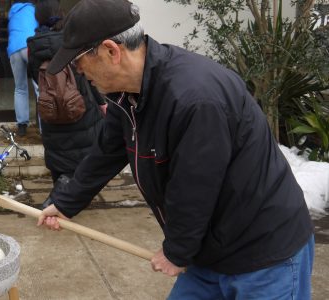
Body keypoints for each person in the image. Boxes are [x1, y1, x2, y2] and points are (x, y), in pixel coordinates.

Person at [37, 0, 314, 298]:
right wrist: (66, 203)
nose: (78, 72)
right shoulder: (126, 94)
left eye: (79, 61)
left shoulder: (194, 98)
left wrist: (177, 251)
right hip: (209, 251)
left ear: (110, 51)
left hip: (264, 252)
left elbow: (195, 184)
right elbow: (106, 152)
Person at [26, 0, 106, 186]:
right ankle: (69, 193)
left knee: (58, 155)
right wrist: (101, 102)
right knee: (85, 155)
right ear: (61, 13)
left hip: (51, 111)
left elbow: (34, 77)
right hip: (81, 108)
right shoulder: (73, 41)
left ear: (38, 18)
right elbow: (89, 76)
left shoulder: (35, 47)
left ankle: (61, 187)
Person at [7, 0, 38, 136]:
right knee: (40, 87)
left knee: (20, 88)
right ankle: (45, 128)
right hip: (30, 46)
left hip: (13, 49)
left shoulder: (12, 12)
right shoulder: (34, 10)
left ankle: (22, 126)